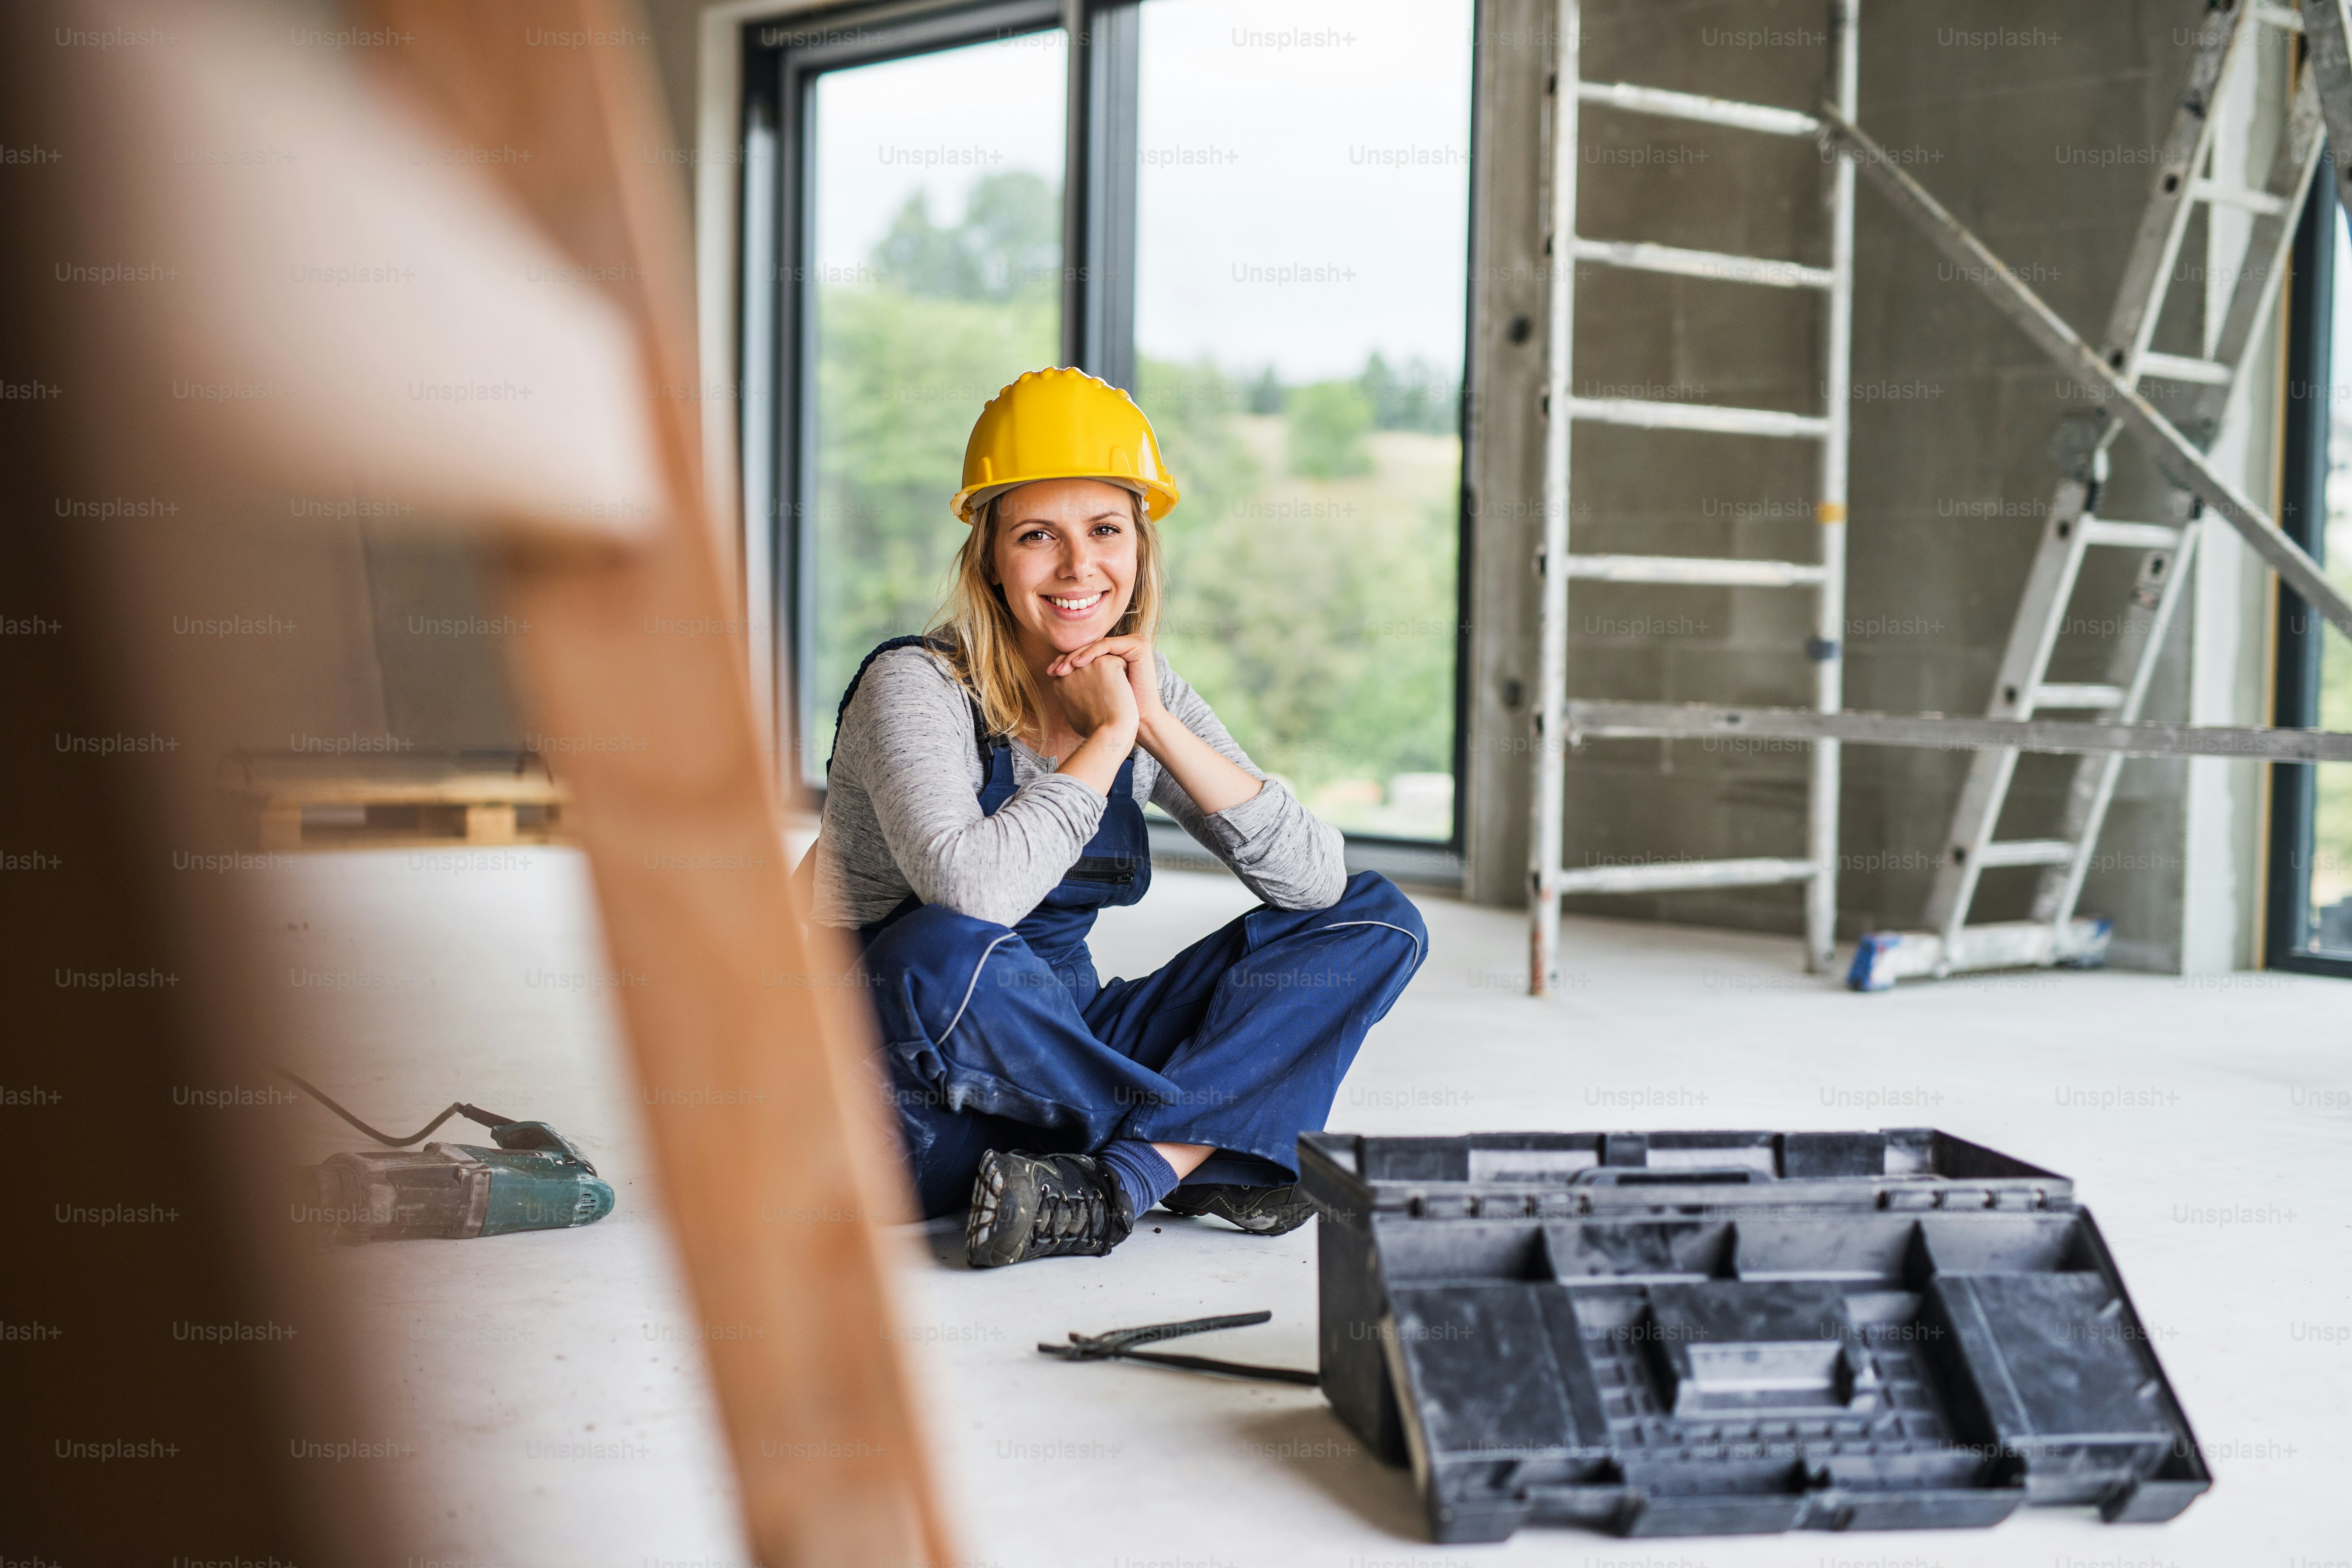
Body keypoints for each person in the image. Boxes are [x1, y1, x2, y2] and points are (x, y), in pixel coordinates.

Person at [806, 366, 1427, 1269]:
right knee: (938, 948)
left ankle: (1120, 1178)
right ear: (987, 554)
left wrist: (1158, 724)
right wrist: (1108, 739)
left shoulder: (1143, 684)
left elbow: (1312, 880)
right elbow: (970, 893)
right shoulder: (916, 685)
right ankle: (1207, 1144)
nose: (1078, 567)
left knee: (1374, 917)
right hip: (905, 1097)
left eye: (1105, 530)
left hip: (1066, 1048)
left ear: (1140, 544)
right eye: (1036, 536)